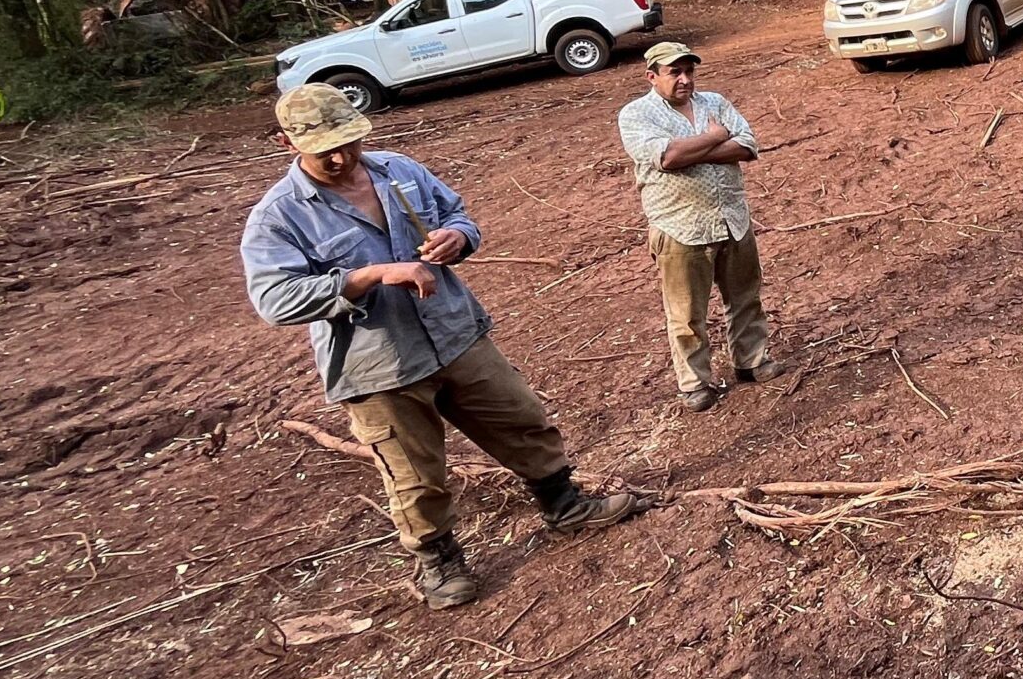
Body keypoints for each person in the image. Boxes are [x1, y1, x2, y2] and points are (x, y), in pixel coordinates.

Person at [240, 84, 640, 611]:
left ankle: (563, 503)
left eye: (350, 142)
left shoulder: (397, 170)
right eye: (325, 151)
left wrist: (458, 237)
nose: (341, 158)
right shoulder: (279, 217)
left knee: (522, 419)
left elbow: (457, 214)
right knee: (413, 474)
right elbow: (274, 299)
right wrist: (370, 275)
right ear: (290, 143)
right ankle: (437, 560)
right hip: (380, 365)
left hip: (454, 332)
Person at [618, 41, 780, 411]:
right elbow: (668, 157)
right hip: (679, 227)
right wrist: (715, 137)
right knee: (687, 313)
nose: (685, 79)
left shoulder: (715, 102)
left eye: (689, 71)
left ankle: (751, 362)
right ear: (652, 76)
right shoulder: (636, 115)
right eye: (675, 72)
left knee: (745, 298)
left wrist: (697, 148)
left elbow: (748, 146)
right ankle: (695, 383)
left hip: (732, 219)